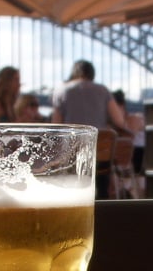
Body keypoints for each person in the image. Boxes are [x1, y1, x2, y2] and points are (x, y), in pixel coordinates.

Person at [51, 60, 125, 198]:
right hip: (99, 156)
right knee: (101, 174)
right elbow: (119, 121)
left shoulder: (61, 91)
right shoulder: (103, 90)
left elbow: (55, 127)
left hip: (71, 157)